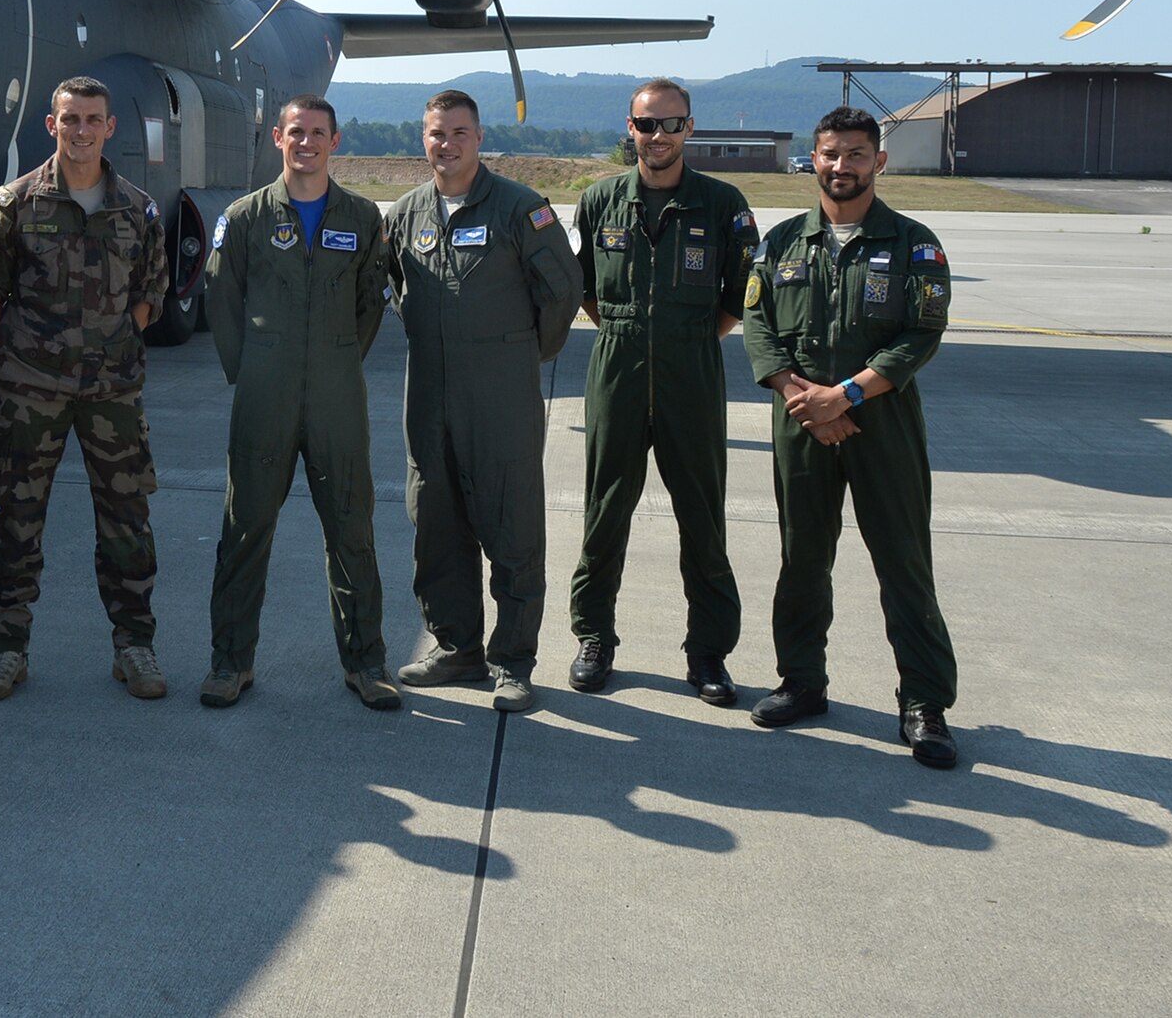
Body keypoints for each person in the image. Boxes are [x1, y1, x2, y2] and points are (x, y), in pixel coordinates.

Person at [743, 106, 960, 768]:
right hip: (802, 421)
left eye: (857, 154)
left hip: (882, 420)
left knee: (903, 562)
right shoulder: (781, 243)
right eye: (831, 154)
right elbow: (758, 326)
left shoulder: (913, 243)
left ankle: (924, 703)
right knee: (802, 559)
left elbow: (920, 334)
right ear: (814, 160)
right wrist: (801, 396)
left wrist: (849, 393)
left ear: (879, 162)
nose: (842, 166)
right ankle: (801, 680)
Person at [0, 77, 171, 703]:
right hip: (31, 392)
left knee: (127, 521)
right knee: (17, 521)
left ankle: (134, 644)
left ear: (111, 128)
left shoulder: (137, 208)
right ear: (49, 125)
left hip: (112, 393)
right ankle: (5, 651)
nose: (80, 130)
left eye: (92, 120)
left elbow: (151, 295)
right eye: (69, 119)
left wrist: (109, 346)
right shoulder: (12, 205)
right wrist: (29, 351)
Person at [200, 95, 397, 710]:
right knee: (245, 527)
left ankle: (366, 663)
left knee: (352, 529)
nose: (306, 142)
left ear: (335, 142)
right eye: (295, 132)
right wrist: (254, 367)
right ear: (278, 139)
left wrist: (336, 357)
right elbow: (220, 295)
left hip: (338, 396)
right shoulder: (247, 216)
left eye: (318, 133)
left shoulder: (364, 218)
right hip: (265, 395)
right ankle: (231, 663)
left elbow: (371, 302)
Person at [385, 91, 579, 712]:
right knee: (436, 524)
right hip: (430, 393)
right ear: (424, 139)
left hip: (501, 395)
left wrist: (519, 353)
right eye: (437, 133)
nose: (447, 144)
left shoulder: (521, 209)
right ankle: (457, 647)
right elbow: (393, 285)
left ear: (479, 137)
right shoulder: (407, 212)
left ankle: (514, 660)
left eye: (459, 132)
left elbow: (562, 292)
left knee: (512, 525)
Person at [570, 78, 760, 703]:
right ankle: (594, 637)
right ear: (630, 128)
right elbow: (590, 293)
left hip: (692, 371)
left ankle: (707, 653)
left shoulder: (723, 204)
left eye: (670, 125)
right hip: (617, 365)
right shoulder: (599, 202)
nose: (658, 137)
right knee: (605, 511)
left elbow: (740, 300)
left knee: (702, 517)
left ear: (690, 128)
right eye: (646, 125)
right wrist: (632, 332)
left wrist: (682, 338)